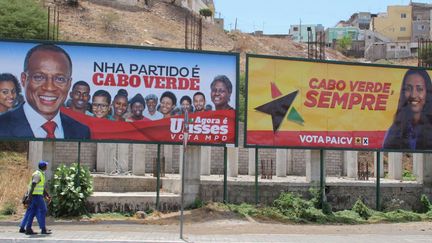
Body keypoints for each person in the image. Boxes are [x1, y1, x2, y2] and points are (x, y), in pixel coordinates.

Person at [0, 44, 90, 139]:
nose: (49, 87)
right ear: (23, 79)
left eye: (59, 79)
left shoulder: (81, 131)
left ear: (69, 84)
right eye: (39, 77)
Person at [383, 69, 432, 150]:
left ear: (428, 93)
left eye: (419, 89)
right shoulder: (394, 130)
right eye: (408, 88)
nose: (413, 95)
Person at [24, 160, 52, 235]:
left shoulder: (41, 174)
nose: (47, 166)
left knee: (32, 212)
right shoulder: (38, 174)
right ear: (43, 167)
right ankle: (43, 229)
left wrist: (46, 194)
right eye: (46, 165)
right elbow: (33, 184)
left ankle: (28, 229)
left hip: (36, 196)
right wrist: (29, 197)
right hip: (36, 197)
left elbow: (40, 187)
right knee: (43, 210)